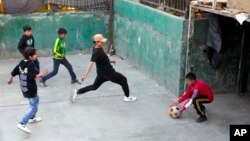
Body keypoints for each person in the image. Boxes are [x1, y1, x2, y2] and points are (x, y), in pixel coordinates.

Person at [70, 34, 137, 103]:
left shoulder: (96, 48)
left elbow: (101, 59)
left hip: (101, 74)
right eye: (101, 42)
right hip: (109, 73)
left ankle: (77, 92)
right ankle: (127, 97)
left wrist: (110, 61)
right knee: (123, 79)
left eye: (103, 41)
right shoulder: (96, 52)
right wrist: (85, 75)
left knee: (94, 87)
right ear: (97, 42)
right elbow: (91, 64)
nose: (103, 43)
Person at [7, 47, 48, 134]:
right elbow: (33, 76)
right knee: (33, 105)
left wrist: (10, 78)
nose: (36, 55)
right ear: (30, 57)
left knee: (36, 100)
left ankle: (32, 118)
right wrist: (42, 74)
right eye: (35, 54)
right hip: (30, 89)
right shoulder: (31, 64)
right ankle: (22, 123)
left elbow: (14, 71)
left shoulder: (22, 62)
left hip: (24, 88)